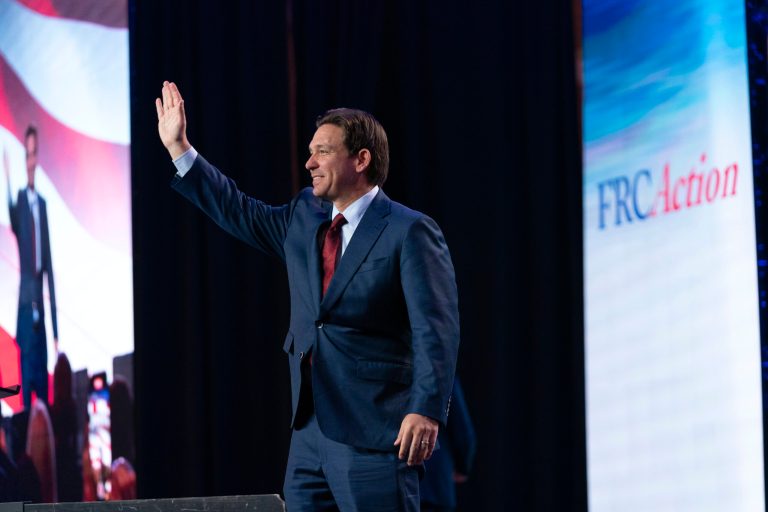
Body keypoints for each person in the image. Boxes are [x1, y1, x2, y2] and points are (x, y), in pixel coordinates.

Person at [156, 81, 460, 511]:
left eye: (323, 151)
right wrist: (180, 149)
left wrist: (426, 409)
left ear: (361, 159)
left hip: (374, 432)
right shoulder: (304, 216)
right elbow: (238, 210)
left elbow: (436, 330)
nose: (309, 162)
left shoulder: (408, 231)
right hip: (308, 435)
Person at [3, 125, 59, 408]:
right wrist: (7, 179)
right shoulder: (21, 203)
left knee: (44, 395)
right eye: (28, 154)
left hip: (41, 312)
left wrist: (57, 330)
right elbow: (13, 220)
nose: (31, 160)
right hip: (26, 312)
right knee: (25, 395)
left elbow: (49, 269)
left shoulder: (44, 206)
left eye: (34, 154)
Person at [420, 378, 477, 512]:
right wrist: (463, 466)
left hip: (393, 481)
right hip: (435, 483)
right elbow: (463, 431)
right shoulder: (442, 376)